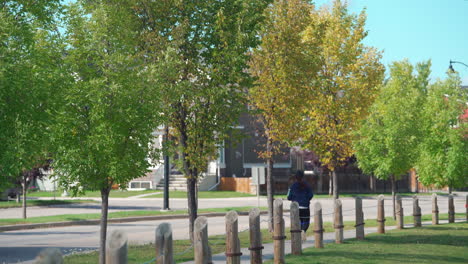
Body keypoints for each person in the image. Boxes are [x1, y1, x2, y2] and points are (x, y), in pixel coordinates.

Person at [287, 170, 314, 241]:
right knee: (305, 220)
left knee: (297, 221)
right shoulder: (307, 185)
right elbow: (311, 195)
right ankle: (303, 231)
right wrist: (306, 199)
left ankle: (298, 236)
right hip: (305, 206)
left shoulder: (292, 186)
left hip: (296, 207)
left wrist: (294, 198)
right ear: (303, 177)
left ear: (295, 177)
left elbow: (289, 197)